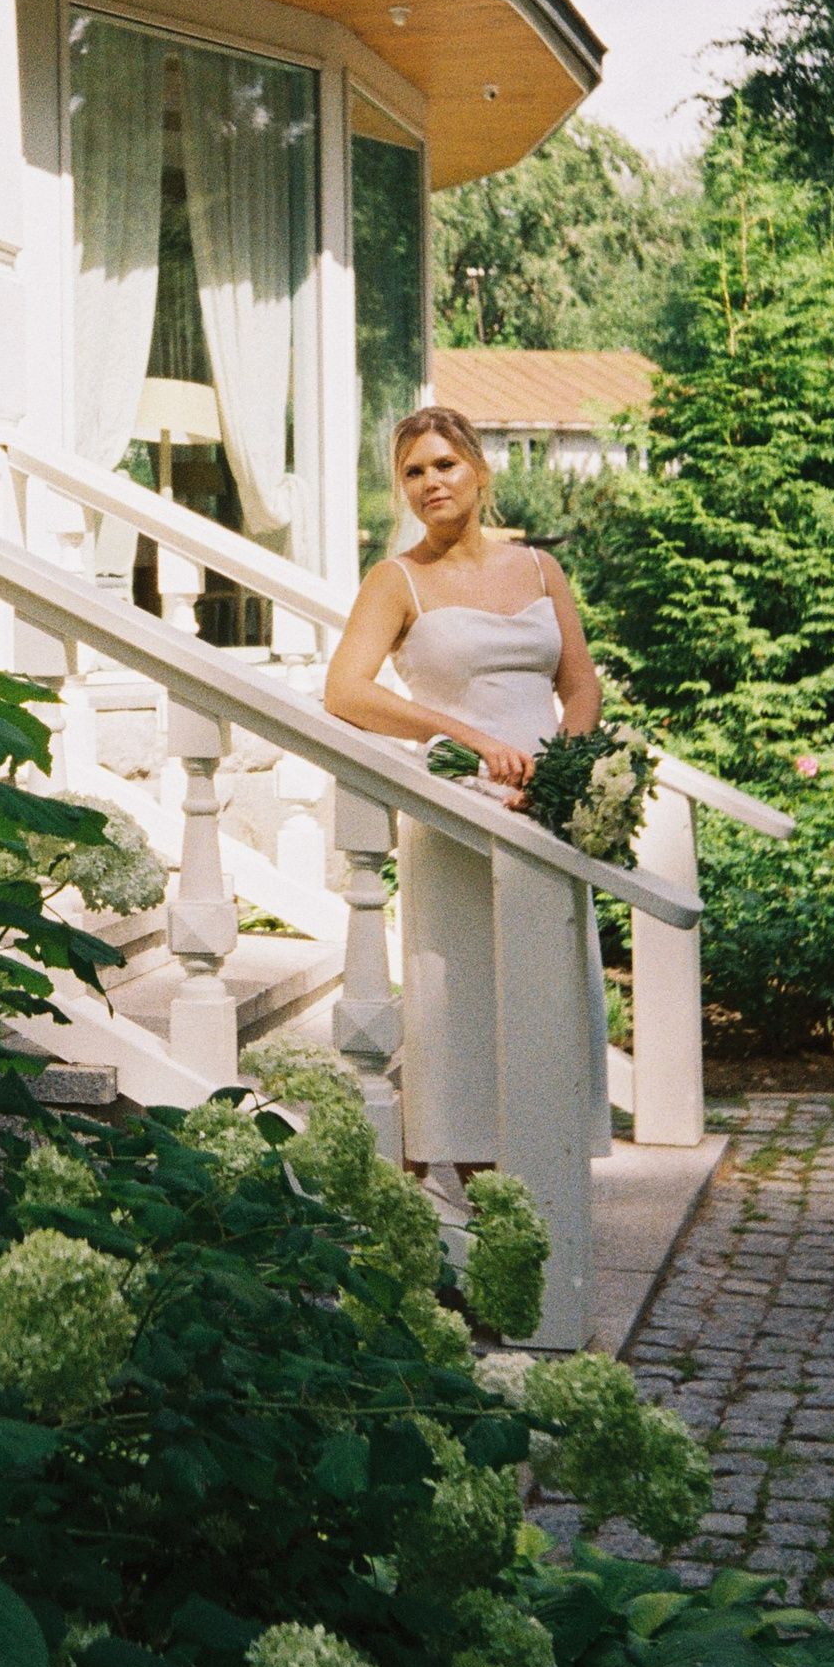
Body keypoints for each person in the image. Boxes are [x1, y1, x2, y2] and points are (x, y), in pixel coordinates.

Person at [322, 405, 608, 1182]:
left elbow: (580, 687)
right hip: (458, 814)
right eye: (413, 472)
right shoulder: (398, 580)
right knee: (463, 1006)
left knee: (544, 996)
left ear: (479, 471)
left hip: (544, 815)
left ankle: (546, 1173)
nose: (430, 483)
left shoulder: (542, 571)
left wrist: (563, 776)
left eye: (444, 465)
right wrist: (465, 736)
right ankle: (465, 1201)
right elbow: (344, 691)